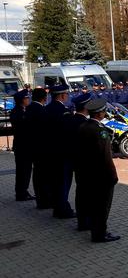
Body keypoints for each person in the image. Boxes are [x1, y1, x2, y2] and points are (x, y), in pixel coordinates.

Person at [77, 98, 120, 243]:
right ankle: (100, 233)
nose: (105, 113)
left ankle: (96, 231)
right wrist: (112, 175)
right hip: (101, 175)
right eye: (103, 111)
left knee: (93, 204)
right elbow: (106, 156)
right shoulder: (100, 131)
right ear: (100, 114)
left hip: (87, 173)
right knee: (102, 206)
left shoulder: (83, 126)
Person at [44, 84, 76, 219]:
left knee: (55, 181)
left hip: (50, 151)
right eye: (66, 94)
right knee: (63, 182)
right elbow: (68, 132)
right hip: (62, 153)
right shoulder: (63, 111)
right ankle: (62, 209)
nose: (67, 96)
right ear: (62, 95)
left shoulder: (46, 109)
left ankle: (57, 207)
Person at [68, 92, 93, 231]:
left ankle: (82, 221)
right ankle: (86, 221)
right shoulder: (85, 124)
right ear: (86, 106)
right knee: (88, 194)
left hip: (76, 162)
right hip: (86, 163)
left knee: (81, 192)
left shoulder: (71, 120)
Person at [25, 88, 49, 209]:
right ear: (44, 98)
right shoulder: (41, 110)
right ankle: (43, 200)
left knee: (37, 173)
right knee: (43, 174)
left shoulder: (29, 108)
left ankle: (40, 199)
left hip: (32, 146)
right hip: (42, 147)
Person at [10, 89, 34, 201]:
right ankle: (21, 193)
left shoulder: (23, 111)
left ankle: (23, 191)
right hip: (22, 146)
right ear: (21, 100)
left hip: (25, 145)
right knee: (23, 170)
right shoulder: (18, 112)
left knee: (25, 170)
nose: (28, 99)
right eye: (26, 98)